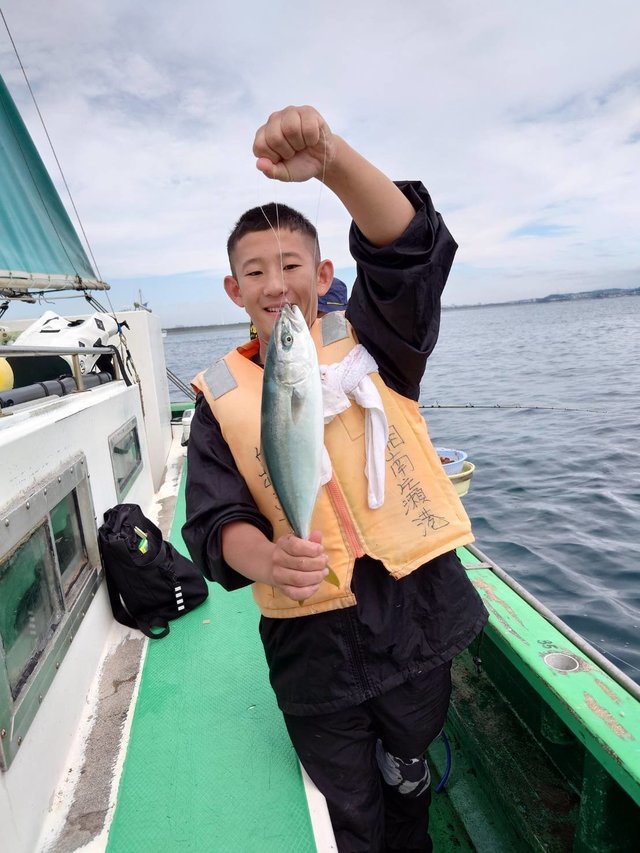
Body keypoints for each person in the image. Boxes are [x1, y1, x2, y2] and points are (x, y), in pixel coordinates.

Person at [183, 105, 488, 853]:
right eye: (255, 271)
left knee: (407, 773)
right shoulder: (217, 400)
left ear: (324, 275)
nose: (275, 283)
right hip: (313, 644)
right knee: (351, 810)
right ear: (234, 290)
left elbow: (409, 248)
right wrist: (268, 557)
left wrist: (331, 160)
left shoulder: (378, 346)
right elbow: (213, 519)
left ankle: (409, 768)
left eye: (290, 266)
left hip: (412, 616)